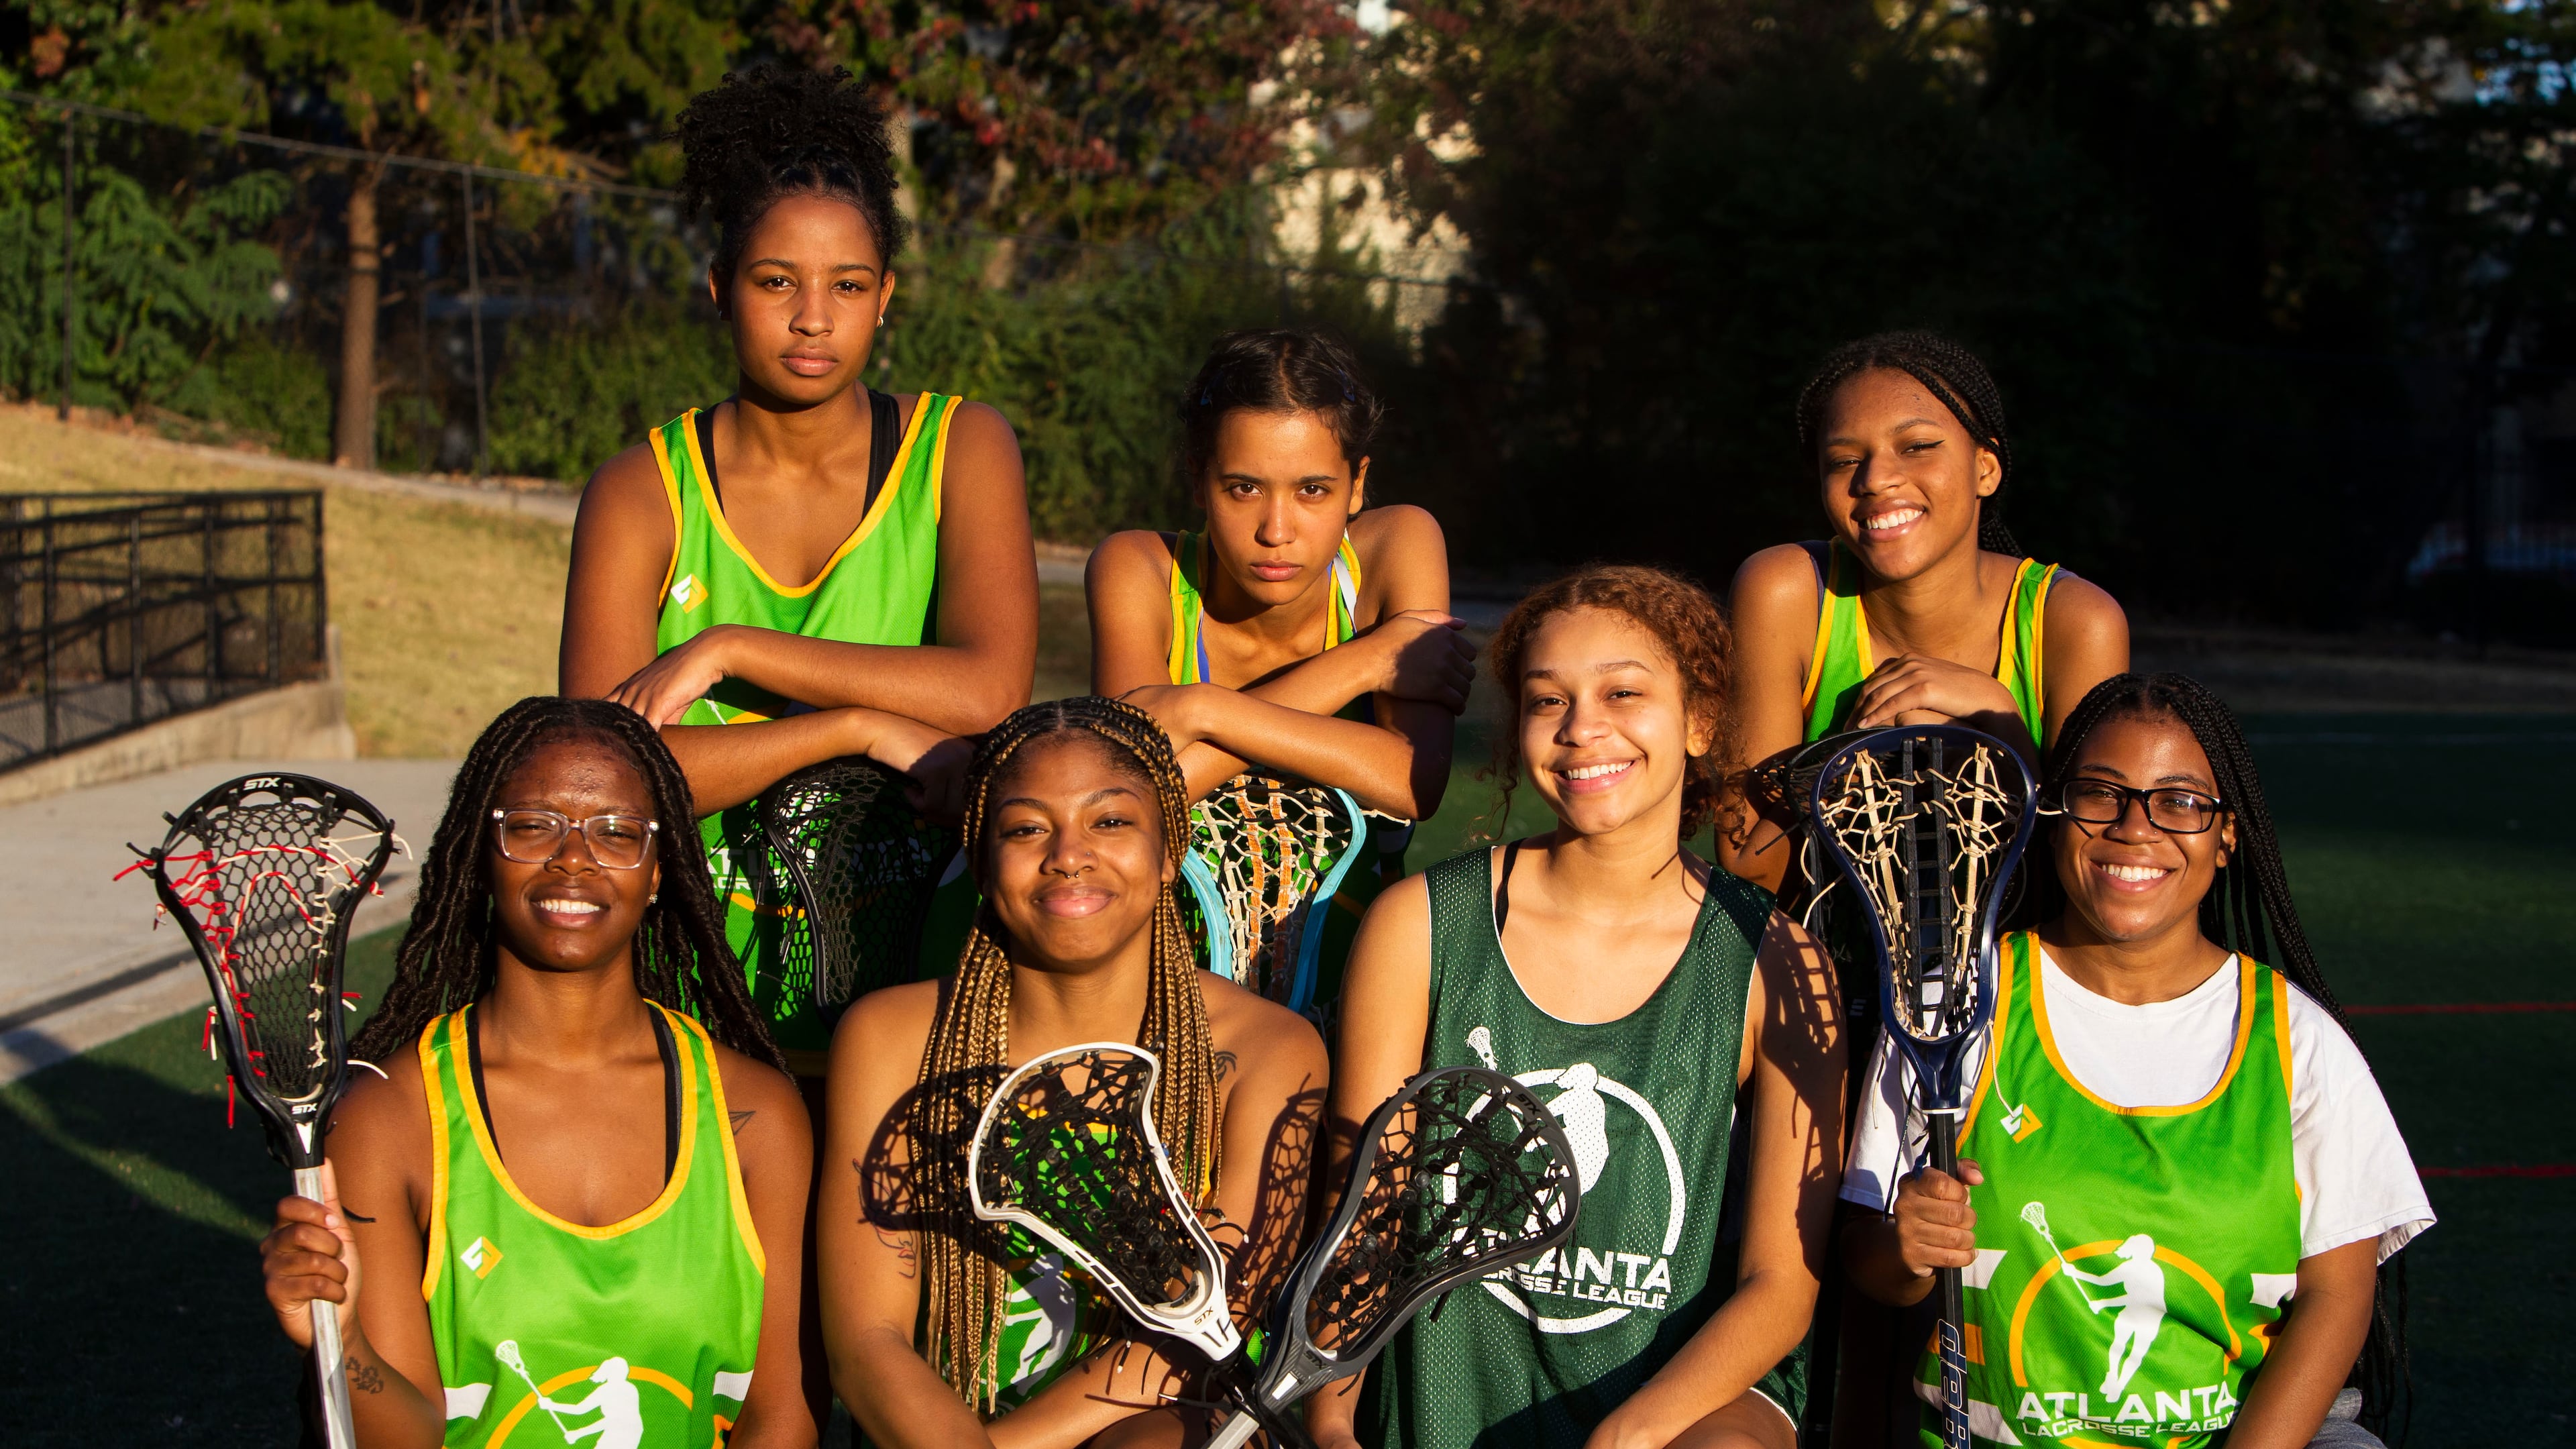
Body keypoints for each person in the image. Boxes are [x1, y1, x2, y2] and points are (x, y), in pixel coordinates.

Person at [559, 66, 1036, 1078]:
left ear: (886, 298)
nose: (814, 317)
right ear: (720, 288)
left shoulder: (961, 448)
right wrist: (855, 729)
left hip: (924, 985)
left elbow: (990, 688)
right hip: (692, 990)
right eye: (777, 282)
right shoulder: (642, 490)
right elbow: (606, 781)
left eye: (848, 286)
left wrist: (734, 649)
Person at [1315, 566, 1845, 1449]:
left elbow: (1781, 1287)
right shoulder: (1421, 926)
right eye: (1548, 700)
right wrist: (1331, 1415)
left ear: (1700, 721)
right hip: (1445, 1407)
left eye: (1623, 693)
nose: (1582, 728)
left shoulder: (1775, 961)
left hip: (1671, 1415)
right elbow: (1361, 1214)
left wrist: (1626, 1438)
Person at [1840, 674, 2429, 1449]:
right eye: (2101, 794)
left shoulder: (2299, 1041)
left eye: (2178, 802)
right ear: (2055, 815)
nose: (2134, 828)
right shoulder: (1954, 1004)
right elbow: (1869, 1256)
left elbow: (2336, 1297)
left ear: (2227, 835)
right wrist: (1906, 1246)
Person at [256, 697, 816, 1448]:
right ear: (480, 857)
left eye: (616, 832)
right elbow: (405, 1437)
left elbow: (781, 1417)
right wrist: (343, 1339)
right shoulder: (387, 1119)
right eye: (532, 826)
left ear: (659, 871)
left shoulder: (756, 1112)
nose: (574, 858)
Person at [818, 697, 1329, 1446]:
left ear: (1168, 853)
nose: (1068, 854)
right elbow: (868, 1342)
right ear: (982, 865)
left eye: (1110, 821)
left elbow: (1212, 1322)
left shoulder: (1266, 1049)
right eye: (1026, 829)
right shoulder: (892, 1039)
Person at [1089, 328, 1474, 1014]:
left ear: (1358, 485)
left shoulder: (1396, 548)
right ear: (1197, 479)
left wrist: (1201, 711)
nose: (1276, 530)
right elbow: (1124, 793)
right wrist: (1367, 662)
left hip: (1356, 1002)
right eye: (1243, 488)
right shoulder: (1139, 569)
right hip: (1159, 996)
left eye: (1313, 490)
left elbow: (1413, 780)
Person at [1719, 330, 2127, 896]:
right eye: (1845, 460)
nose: (1874, 479)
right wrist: (1854, 759)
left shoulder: (2072, 621)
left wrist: (2000, 725)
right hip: (1815, 949)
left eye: (1916, 447)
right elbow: (1747, 866)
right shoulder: (1788, 591)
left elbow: (2083, 882)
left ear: (1986, 468)